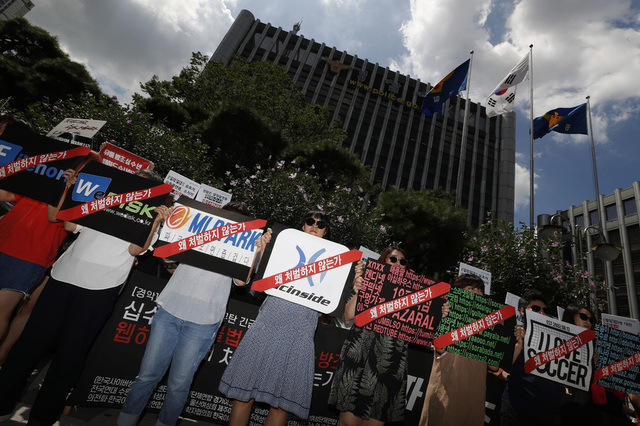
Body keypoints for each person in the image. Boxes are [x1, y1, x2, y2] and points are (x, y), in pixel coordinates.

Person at [0, 168, 172, 426]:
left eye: (140, 185)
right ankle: (2, 399)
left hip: (101, 288)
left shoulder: (147, 216)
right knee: (30, 343)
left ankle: (43, 416)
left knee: (71, 353)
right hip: (63, 277)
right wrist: (70, 191)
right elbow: (69, 224)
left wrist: (155, 221)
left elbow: (136, 249)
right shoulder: (100, 198)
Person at [117, 201, 273, 426]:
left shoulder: (244, 245)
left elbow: (241, 280)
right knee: (146, 376)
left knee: (179, 385)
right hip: (170, 310)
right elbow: (169, 259)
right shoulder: (199, 230)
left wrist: (257, 250)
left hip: (204, 322)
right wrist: (170, 227)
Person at [218, 211, 330, 426]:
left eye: (321, 224)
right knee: (244, 394)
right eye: (309, 221)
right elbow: (255, 275)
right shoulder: (282, 248)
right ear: (302, 226)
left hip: (300, 334)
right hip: (268, 324)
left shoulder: (335, 262)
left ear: (326, 232)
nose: (314, 225)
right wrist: (261, 249)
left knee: (281, 405)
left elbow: (333, 304)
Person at [0, 115, 74, 363]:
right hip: (3, 241)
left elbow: (56, 218)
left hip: (30, 255)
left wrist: (66, 187)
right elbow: (6, 193)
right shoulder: (38, 175)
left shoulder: (76, 189)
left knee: (2, 311)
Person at [327, 246, 411, 426]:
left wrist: (440, 313)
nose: (397, 264)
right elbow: (348, 315)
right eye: (393, 259)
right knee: (348, 422)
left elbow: (423, 329)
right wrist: (359, 291)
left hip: (390, 365)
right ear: (383, 261)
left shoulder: (414, 296)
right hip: (360, 358)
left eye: (402, 262)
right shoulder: (367, 283)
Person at [419, 273, 494, 426]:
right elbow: (440, 348)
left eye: (480, 290)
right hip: (446, 404)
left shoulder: (486, 331)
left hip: (472, 408)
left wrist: (518, 342)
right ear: (458, 293)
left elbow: (494, 366)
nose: (477, 293)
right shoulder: (447, 319)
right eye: (471, 288)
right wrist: (446, 319)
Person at [500, 288, 563, 426]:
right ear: (523, 311)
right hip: (517, 408)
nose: (541, 313)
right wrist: (520, 343)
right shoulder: (511, 332)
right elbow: (500, 365)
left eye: (545, 310)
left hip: (548, 413)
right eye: (536, 308)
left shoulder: (558, 342)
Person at [560, 304, 603, 426]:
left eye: (591, 320)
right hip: (565, 410)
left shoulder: (595, 347)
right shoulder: (557, 344)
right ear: (570, 317)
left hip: (589, 410)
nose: (588, 322)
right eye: (584, 317)